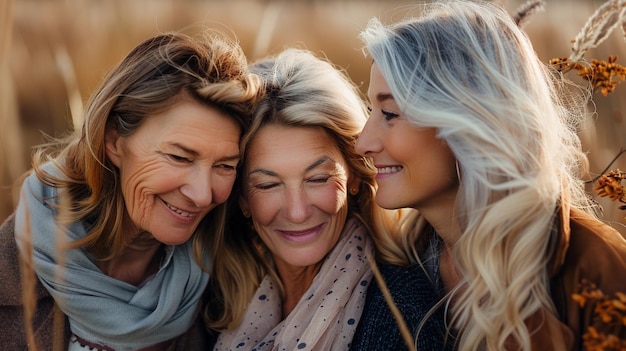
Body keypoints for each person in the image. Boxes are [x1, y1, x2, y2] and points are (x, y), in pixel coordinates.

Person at [353, 1, 626, 350]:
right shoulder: (402, 263)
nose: (364, 142)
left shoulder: (596, 271)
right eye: (371, 110)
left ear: (469, 123)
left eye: (389, 113)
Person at [1, 31, 261, 350]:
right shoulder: (12, 267)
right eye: (179, 156)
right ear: (113, 141)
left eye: (225, 165)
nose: (202, 195)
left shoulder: (231, 273)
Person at [202, 48, 435, 351]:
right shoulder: (213, 298)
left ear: (352, 175)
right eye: (268, 184)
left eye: (318, 179)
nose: (297, 213)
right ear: (242, 198)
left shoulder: (403, 312)